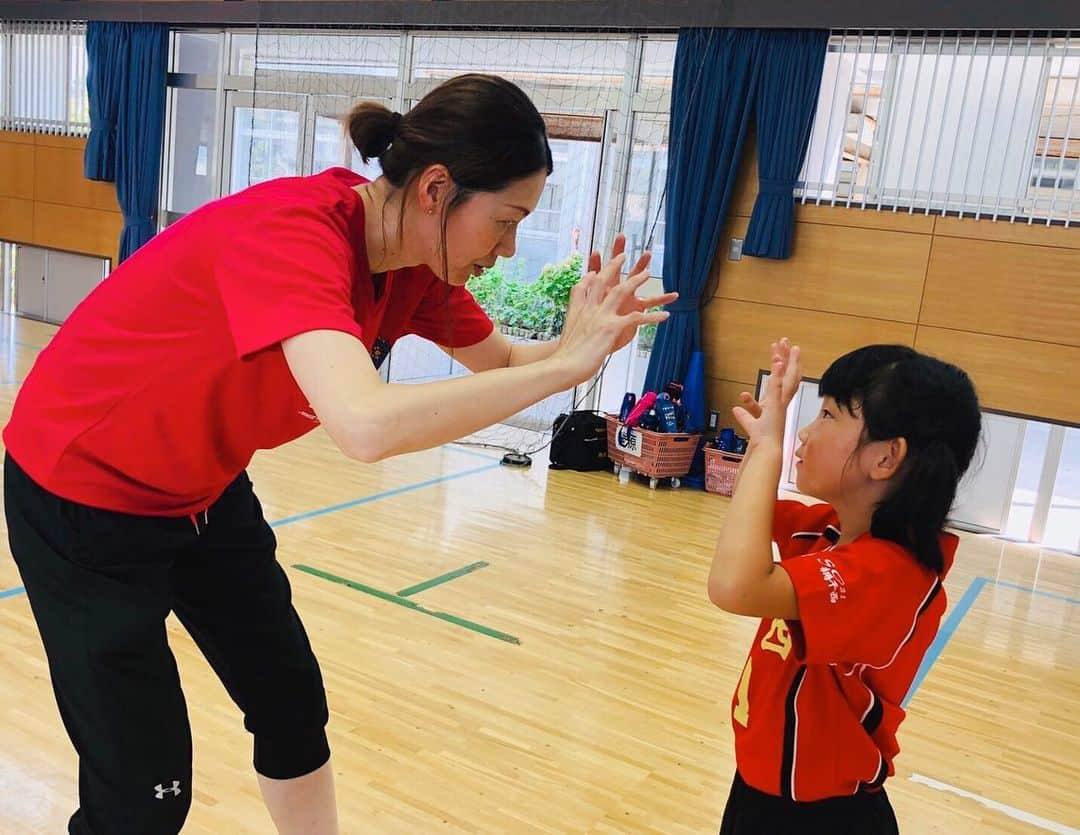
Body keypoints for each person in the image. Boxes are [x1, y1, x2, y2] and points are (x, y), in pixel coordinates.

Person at [3, 72, 674, 835]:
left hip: (200, 486)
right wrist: (565, 368)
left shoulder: (415, 270)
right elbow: (364, 426)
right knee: (145, 788)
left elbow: (507, 366)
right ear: (435, 188)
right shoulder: (295, 234)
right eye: (507, 220)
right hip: (83, 492)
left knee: (291, 701)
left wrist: (580, 343)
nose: (510, 248)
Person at [707, 339, 981, 834]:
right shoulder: (829, 530)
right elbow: (749, 509)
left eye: (828, 416)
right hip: (759, 788)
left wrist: (772, 446)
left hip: (823, 816)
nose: (806, 434)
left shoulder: (889, 575)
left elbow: (734, 586)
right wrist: (764, 436)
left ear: (886, 458)